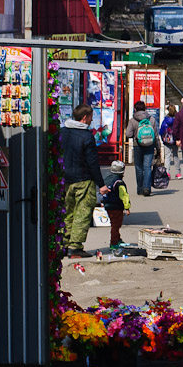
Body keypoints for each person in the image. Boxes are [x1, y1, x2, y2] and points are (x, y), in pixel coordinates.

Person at [61, 104, 107, 257]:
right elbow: (92, 163)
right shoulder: (87, 136)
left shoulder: (62, 132)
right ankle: (75, 247)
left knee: (67, 212)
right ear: (85, 117)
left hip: (65, 179)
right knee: (82, 213)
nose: (92, 120)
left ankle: (63, 243)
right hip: (83, 180)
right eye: (91, 117)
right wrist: (101, 184)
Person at [125, 101, 161, 197]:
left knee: (139, 167)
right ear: (145, 109)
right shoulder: (151, 119)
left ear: (135, 109)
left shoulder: (132, 120)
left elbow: (128, 134)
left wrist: (135, 135)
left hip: (138, 145)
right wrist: (158, 148)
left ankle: (140, 189)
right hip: (150, 145)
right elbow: (155, 135)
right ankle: (147, 188)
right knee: (147, 167)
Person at [101, 160, 131, 249]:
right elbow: (124, 195)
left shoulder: (107, 179)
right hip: (116, 206)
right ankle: (114, 243)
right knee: (116, 225)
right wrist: (127, 207)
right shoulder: (119, 182)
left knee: (114, 223)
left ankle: (118, 239)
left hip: (107, 204)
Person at [159, 104, 182, 179]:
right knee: (175, 156)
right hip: (175, 140)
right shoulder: (177, 120)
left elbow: (161, 130)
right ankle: (178, 173)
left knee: (167, 156)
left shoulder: (165, 120)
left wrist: (163, 138)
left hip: (167, 140)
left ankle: (167, 172)